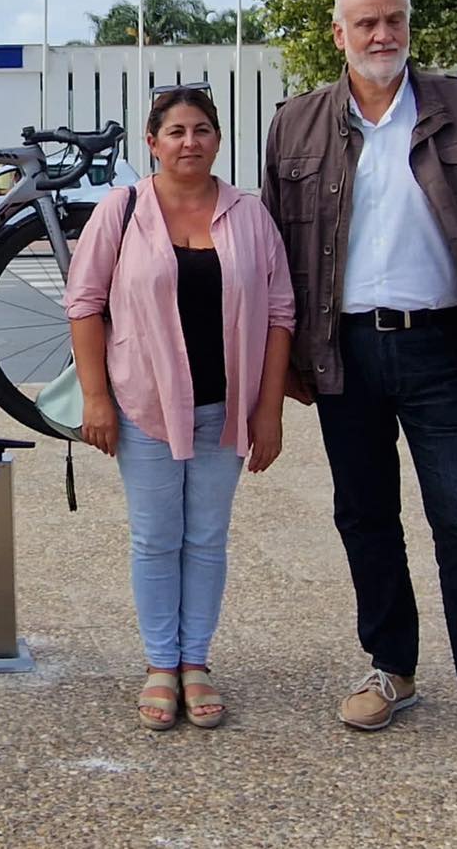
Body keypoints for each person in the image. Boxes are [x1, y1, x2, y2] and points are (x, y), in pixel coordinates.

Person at [262, 0, 457, 786]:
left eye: (392, 21)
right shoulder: (296, 124)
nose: (381, 34)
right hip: (345, 352)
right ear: (337, 31)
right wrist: (284, 360)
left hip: (446, 352)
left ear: (407, 26)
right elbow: (278, 253)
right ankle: (392, 665)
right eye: (365, 23)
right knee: (365, 516)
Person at [64, 87, 294, 730]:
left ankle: (196, 662)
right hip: (144, 406)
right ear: (152, 142)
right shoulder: (122, 209)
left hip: (226, 408)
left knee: (207, 538)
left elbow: (280, 315)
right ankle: (160, 663)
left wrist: (268, 412)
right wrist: (95, 397)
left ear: (218, 139)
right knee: (156, 538)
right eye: (175, 131)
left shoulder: (250, 215)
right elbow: (84, 303)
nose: (189, 141)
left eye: (201, 129)